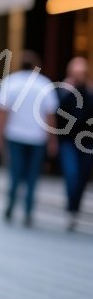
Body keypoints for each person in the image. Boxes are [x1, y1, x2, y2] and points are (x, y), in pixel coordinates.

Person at [0, 50, 61, 227]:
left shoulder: (11, 83)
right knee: (32, 176)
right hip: (37, 138)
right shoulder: (44, 84)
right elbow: (50, 116)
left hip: (14, 135)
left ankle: (11, 205)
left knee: (15, 172)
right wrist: (52, 140)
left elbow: (1, 114)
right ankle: (28, 211)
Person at [55, 56, 90, 229]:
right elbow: (55, 114)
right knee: (72, 174)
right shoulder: (65, 92)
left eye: (82, 73)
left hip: (87, 141)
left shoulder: (89, 93)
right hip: (68, 140)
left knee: (82, 176)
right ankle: (71, 209)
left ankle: (74, 209)